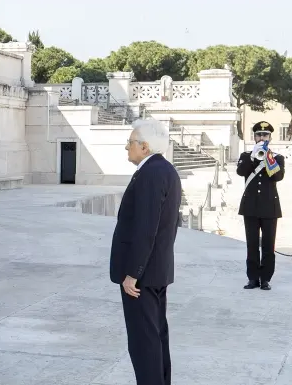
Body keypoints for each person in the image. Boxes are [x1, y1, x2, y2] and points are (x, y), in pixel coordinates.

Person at [110, 117, 181, 385]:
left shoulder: (150, 173)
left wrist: (133, 273)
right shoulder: (165, 170)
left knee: (144, 343)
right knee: (156, 336)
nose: (127, 147)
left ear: (145, 146)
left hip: (143, 275)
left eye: (130, 142)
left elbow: (146, 228)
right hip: (156, 270)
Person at [236, 121, 285, 291]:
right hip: (250, 207)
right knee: (251, 244)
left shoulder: (277, 157)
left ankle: (265, 279)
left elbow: (277, 176)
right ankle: (252, 278)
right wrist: (252, 157)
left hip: (269, 208)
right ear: (254, 136)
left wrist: (267, 157)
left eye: (265, 135)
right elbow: (241, 172)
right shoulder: (245, 155)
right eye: (259, 134)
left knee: (268, 246)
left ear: (270, 138)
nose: (261, 137)